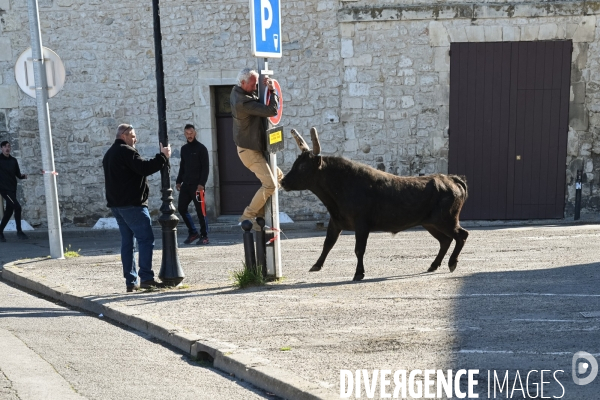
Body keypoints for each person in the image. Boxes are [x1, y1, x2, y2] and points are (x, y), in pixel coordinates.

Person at [102, 124, 171, 292]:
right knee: (145, 240)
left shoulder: (109, 154)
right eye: (133, 136)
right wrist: (163, 157)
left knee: (127, 243)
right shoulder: (126, 151)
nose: (136, 139)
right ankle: (146, 278)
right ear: (124, 136)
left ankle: (130, 281)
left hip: (117, 206)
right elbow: (144, 168)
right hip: (132, 205)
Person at [230, 67, 283, 230]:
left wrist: (263, 84)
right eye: (253, 84)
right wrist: (272, 91)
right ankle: (247, 216)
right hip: (249, 150)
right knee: (270, 184)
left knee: (279, 177)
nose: (255, 88)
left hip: (253, 147)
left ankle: (260, 215)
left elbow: (256, 94)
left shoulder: (237, 91)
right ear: (243, 82)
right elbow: (271, 110)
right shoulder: (242, 102)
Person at [175, 124, 210, 245]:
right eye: (187, 134)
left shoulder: (202, 149)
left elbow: (206, 168)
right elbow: (182, 166)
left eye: (191, 133)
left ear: (195, 133)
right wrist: (179, 181)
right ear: (184, 134)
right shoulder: (184, 149)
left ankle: (204, 236)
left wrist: (202, 183)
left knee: (201, 211)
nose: (189, 136)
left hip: (197, 186)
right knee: (181, 208)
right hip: (186, 185)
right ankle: (193, 232)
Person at [0, 141, 28, 242]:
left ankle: (0, 232)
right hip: (4, 189)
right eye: (5, 147)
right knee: (17, 207)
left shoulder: (13, 160)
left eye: (8, 146)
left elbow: (18, 174)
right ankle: (19, 231)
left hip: (12, 189)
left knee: (9, 212)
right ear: (1, 148)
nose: (7, 148)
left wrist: (23, 176)